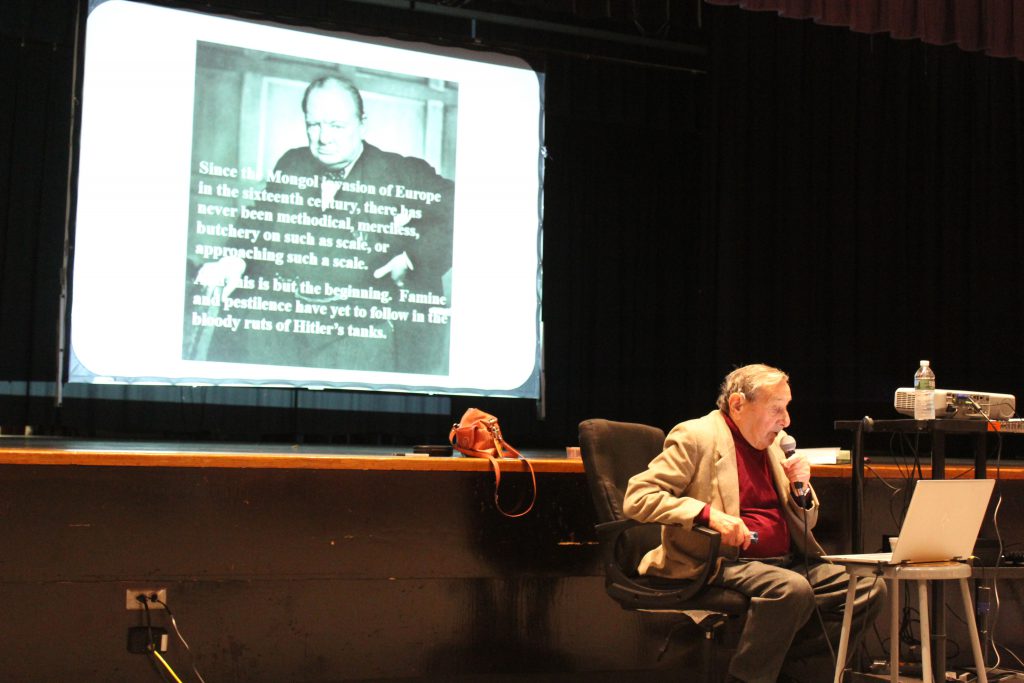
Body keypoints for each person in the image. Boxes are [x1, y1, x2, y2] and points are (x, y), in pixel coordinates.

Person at [623, 364, 885, 683]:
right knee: (791, 589)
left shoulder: (775, 442)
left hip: (783, 561)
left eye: (786, 408)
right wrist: (709, 515)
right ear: (737, 405)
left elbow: (808, 520)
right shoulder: (696, 436)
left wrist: (801, 488)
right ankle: (748, 677)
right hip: (721, 560)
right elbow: (638, 497)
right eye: (777, 409)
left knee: (868, 586)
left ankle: (784, 668)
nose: (786, 420)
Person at [191, 75, 454, 374]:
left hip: (360, 339)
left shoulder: (402, 171)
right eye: (313, 125)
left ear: (362, 124)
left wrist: (411, 259)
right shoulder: (292, 162)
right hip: (287, 331)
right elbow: (259, 219)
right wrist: (233, 259)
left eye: (336, 126)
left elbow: (463, 211)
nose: (323, 138)